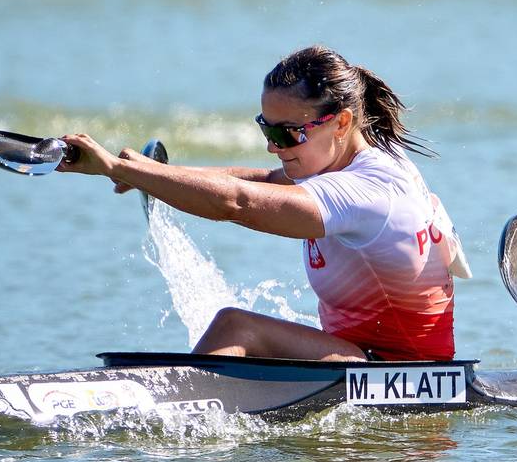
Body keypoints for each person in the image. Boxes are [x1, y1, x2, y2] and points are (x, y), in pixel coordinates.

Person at [59, 45, 469, 362]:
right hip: (364, 358)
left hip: (397, 371)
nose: (274, 147)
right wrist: (151, 172)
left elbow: (240, 204)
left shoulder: (368, 190)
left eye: (288, 133)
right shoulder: (347, 164)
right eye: (266, 129)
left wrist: (117, 168)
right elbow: (257, 181)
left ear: (341, 123)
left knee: (236, 326)